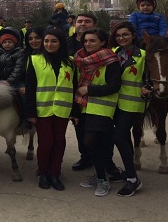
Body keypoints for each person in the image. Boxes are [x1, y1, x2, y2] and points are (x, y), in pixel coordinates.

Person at [25, 28, 78, 191]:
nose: (49, 44)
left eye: (54, 41)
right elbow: (30, 87)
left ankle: (55, 173)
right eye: (46, 41)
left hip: (62, 109)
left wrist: (75, 112)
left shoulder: (70, 62)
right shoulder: (35, 60)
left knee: (59, 142)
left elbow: (75, 87)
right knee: (46, 142)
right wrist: (31, 112)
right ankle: (43, 172)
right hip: (42, 110)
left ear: (61, 43)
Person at [74, 29, 122, 197]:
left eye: (92, 40)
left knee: (93, 141)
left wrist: (89, 89)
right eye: (86, 40)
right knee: (92, 144)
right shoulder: (81, 60)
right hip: (84, 108)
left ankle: (102, 179)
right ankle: (100, 174)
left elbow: (114, 86)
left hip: (102, 109)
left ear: (103, 42)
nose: (88, 43)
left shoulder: (111, 61)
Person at [108, 21, 149, 196]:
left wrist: (149, 87)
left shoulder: (144, 55)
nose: (122, 38)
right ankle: (128, 170)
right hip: (114, 103)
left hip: (132, 103)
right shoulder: (113, 53)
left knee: (118, 136)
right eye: (118, 35)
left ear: (133, 35)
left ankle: (133, 179)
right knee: (123, 137)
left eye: (125, 34)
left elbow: (151, 77)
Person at [0, 27, 26, 122]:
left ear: (14, 43)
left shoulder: (20, 53)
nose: (7, 44)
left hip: (16, 81)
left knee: (22, 96)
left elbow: (18, 69)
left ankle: (25, 117)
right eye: (5, 42)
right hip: (0, 81)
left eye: (10, 42)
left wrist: (9, 81)